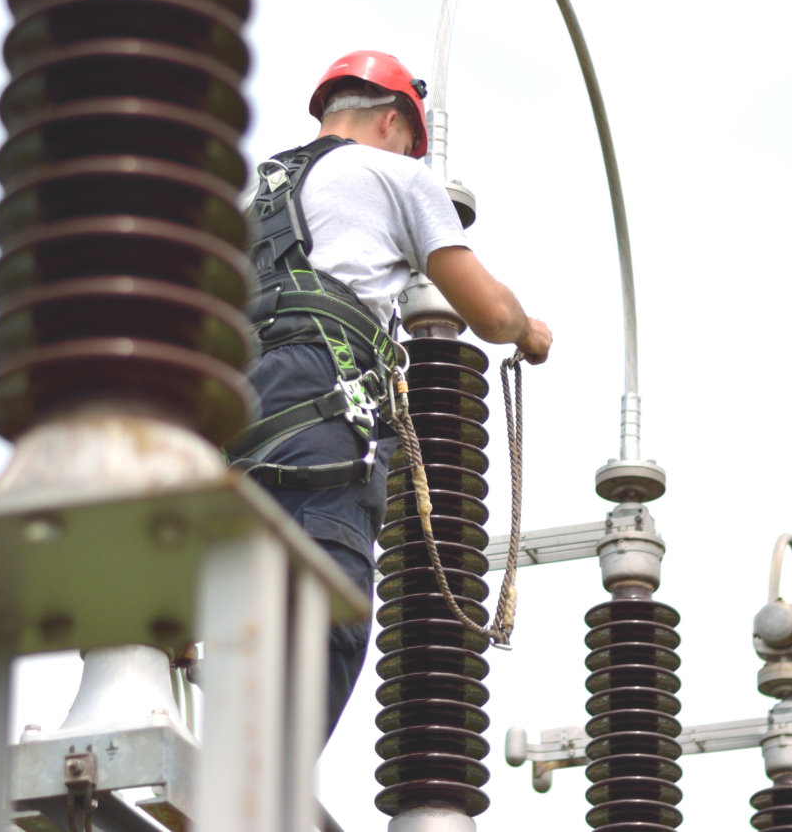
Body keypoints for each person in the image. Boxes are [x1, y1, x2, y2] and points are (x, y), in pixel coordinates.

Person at [226, 50, 552, 737]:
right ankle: (254, 800)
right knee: (327, 615)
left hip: (226, 425)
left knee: (244, 620)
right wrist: (528, 331)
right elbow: (488, 311)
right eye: (412, 141)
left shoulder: (249, 202)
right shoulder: (397, 174)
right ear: (391, 119)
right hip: (319, 411)